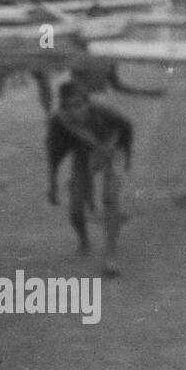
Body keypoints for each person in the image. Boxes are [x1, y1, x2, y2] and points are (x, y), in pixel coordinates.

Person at [46, 81, 132, 277]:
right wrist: (52, 185)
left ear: (88, 103)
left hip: (112, 147)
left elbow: (126, 128)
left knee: (110, 199)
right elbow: (54, 154)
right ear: (63, 107)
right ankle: (83, 239)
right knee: (75, 210)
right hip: (84, 154)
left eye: (80, 104)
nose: (77, 111)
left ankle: (111, 256)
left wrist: (122, 158)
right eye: (70, 106)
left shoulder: (104, 111)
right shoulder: (59, 122)